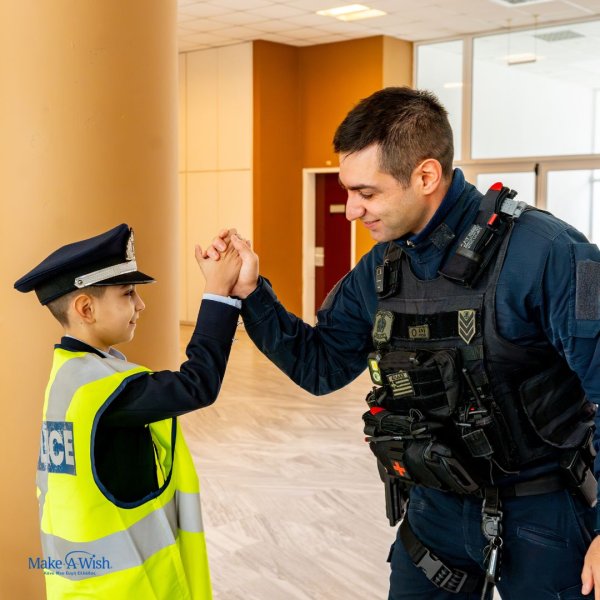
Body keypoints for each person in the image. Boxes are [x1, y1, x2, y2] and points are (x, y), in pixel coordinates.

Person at [206, 87, 600, 599]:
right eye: (348, 191)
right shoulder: (382, 267)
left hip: (543, 510)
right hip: (435, 506)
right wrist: (251, 293)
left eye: (366, 193)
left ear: (426, 176)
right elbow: (321, 366)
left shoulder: (548, 253)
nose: (350, 210)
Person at [14, 223, 243, 599]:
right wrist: (218, 292)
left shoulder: (71, 377)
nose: (141, 304)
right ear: (86, 308)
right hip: (125, 588)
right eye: (128, 293)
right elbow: (198, 384)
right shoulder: (100, 390)